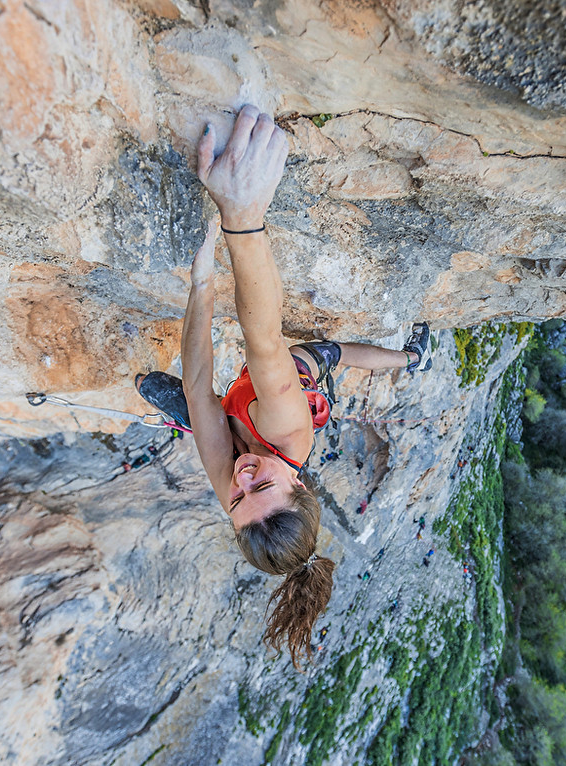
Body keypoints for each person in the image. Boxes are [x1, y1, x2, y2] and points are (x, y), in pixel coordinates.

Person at [136, 104, 433, 669]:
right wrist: (241, 216)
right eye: (263, 484)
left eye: (237, 499)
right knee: (325, 353)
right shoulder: (287, 431)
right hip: (295, 386)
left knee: (201, 411)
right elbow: (263, 338)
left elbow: (198, 387)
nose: (242, 480)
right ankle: (412, 357)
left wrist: (201, 281)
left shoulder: (236, 489)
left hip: (235, 405)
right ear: (298, 481)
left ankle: (405, 359)